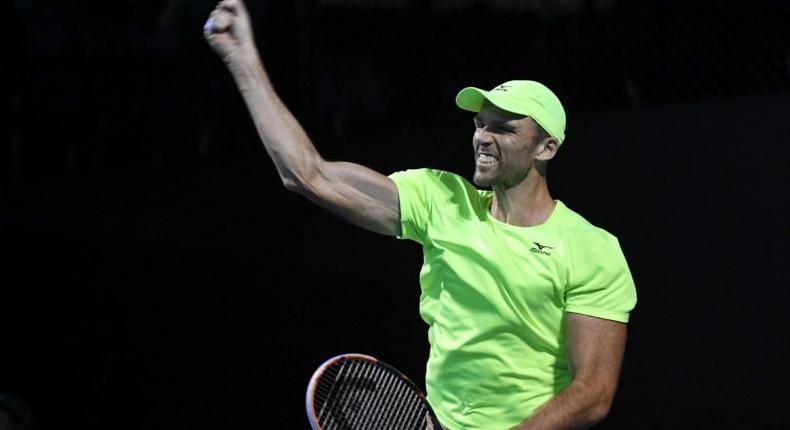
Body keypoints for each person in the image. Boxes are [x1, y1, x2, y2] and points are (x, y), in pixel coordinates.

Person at [204, 1, 637, 429]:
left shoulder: (590, 249)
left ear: (546, 148)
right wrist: (242, 59)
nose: (483, 137)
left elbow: (593, 393)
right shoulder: (440, 199)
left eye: (503, 128)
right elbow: (308, 174)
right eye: (479, 124)